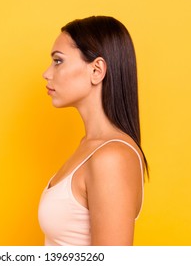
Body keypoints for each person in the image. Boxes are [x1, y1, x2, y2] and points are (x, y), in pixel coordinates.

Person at [38, 16, 148, 246]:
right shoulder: (89, 146)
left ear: (96, 70)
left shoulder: (112, 157)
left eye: (58, 61)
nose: (46, 73)